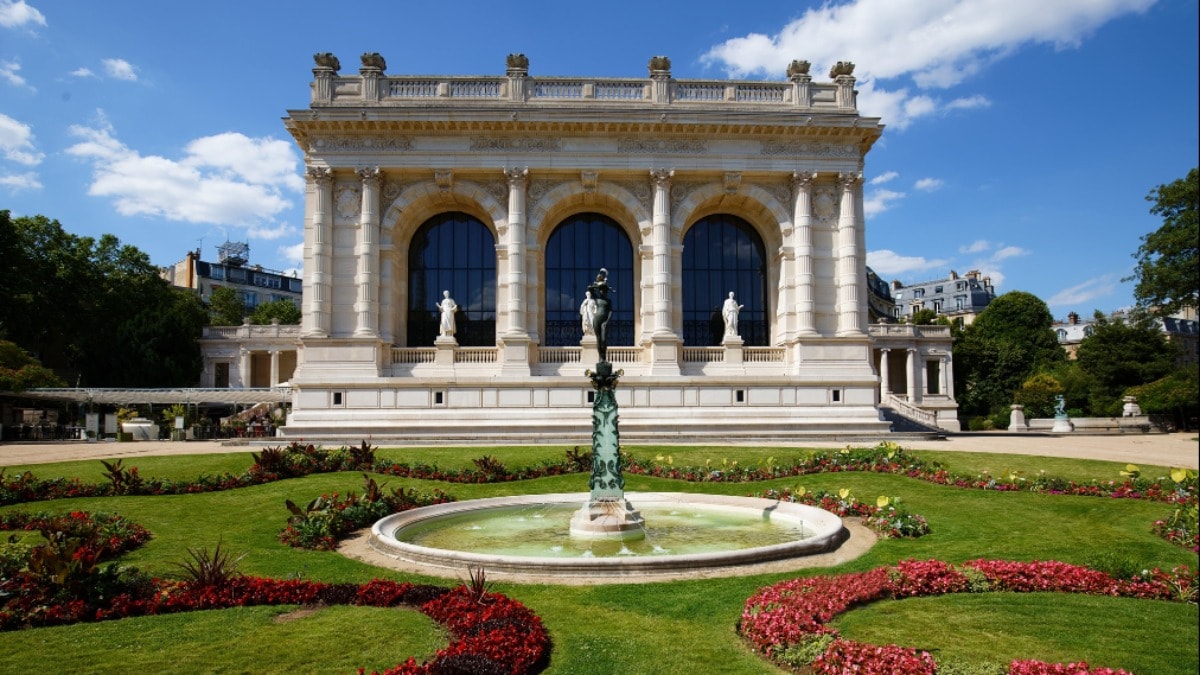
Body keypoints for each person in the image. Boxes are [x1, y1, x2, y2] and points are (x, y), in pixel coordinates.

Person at [587, 269, 613, 360]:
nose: (602, 292)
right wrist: (598, 284)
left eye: (603, 290)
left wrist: (607, 321)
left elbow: (610, 311)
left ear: (606, 291)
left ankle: (604, 356)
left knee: (603, 340)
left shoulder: (608, 301)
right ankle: (601, 358)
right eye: (601, 290)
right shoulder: (597, 298)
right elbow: (589, 288)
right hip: (596, 320)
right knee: (598, 339)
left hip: (604, 321)